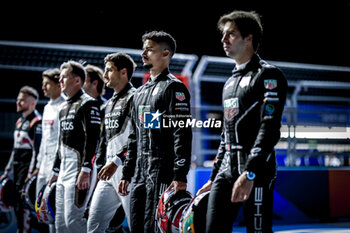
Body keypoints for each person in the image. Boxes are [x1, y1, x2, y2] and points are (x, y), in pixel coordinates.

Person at [196, 11, 288, 233]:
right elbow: (225, 135)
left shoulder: (268, 75)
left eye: (231, 34)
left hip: (257, 170)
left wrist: (250, 173)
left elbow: (270, 129)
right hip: (225, 171)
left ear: (249, 38)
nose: (223, 40)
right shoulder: (229, 82)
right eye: (223, 34)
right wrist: (213, 176)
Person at [118, 31, 192, 233]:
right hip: (140, 172)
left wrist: (180, 174)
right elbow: (134, 136)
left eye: (149, 49)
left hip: (162, 171)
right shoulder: (139, 93)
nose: (143, 53)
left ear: (166, 53)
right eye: (144, 49)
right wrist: (126, 172)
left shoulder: (174, 88)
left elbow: (182, 133)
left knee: (155, 228)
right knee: (136, 227)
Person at [48, 60, 101, 232]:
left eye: (64, 77)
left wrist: (86, 170)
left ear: (77, 80)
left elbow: (94, 140)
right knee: (60, 224)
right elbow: (60, 143)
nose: (60, 81)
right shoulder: (63, 107)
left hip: (79, 171)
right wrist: (55, 171)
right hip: (63, 172)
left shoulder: (88, 104)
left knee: (73, 221)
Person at [87, 52, 136, 233]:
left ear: (123, 72)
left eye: (109, 70)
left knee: (136, 226)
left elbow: (140, 138)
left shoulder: (136, 97)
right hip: (107, 173)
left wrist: (117, 162)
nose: (105, 75)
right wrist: (100, 165)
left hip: (129, 172)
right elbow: (104, 141)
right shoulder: (108, 104)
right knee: (94, 225)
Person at [0, 86, 42, 233]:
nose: (18, 102)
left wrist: (30, 174)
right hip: (16, 170)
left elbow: (37, 152)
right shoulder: (19, 121)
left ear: (32, 103)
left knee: (25, 208)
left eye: (22, 100)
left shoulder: (36, 122)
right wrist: (7, 171)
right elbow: (14, 149)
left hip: (26, 171)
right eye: (18, 99)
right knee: (17, 207)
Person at [32, 68, 64, 233]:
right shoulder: (46, 108)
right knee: (42, 211)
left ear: (58, 85)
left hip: (57, 168)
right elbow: (44, 140)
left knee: (55, 211)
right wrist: (37, 166)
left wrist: (56, 169)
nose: (43, 87)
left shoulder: (65, 106)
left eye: (47, 84)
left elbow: (62, 143)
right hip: (43, 167)